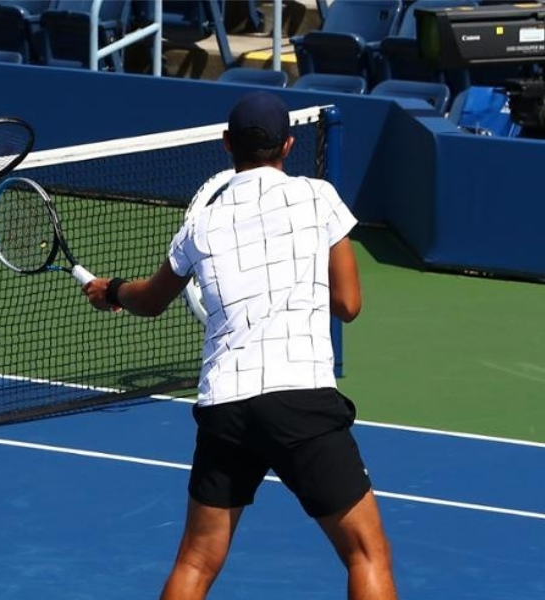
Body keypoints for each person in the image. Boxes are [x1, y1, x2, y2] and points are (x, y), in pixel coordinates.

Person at [83, 91, 398, 600]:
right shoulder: (319, 198)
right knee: (366, 554)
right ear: (288, 145)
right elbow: (348, 303)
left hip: (226, 407)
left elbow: (150, 300)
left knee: (195, 561)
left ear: (227, 144)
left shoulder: (200, 225)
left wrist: (113, 290)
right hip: (300, 399)